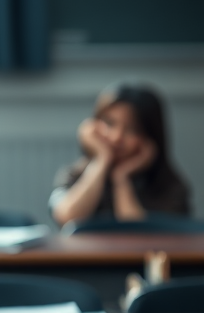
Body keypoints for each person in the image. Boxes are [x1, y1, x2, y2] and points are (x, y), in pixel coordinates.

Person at [50, 84, 191, 226]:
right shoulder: (74, 175)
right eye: (110, 123)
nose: (117, 137)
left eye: (131, 129)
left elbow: (139, 238)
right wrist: (102, 160)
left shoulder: (169, 187)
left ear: (150, 137)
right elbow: (67, 218)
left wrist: (122, 179)